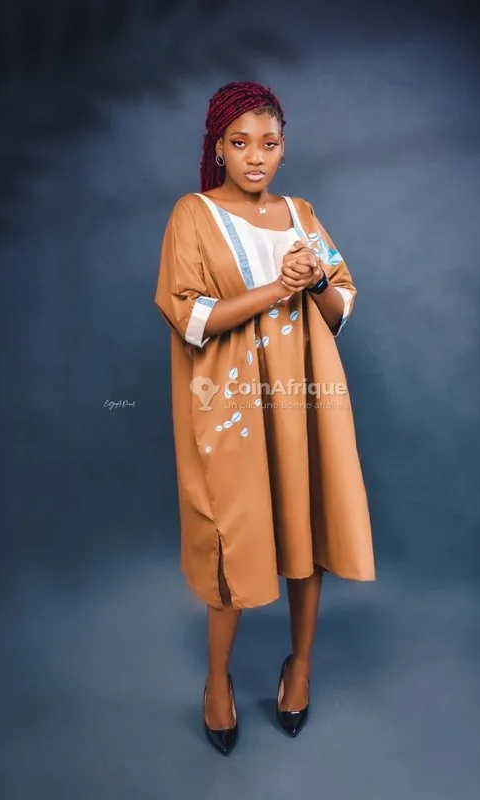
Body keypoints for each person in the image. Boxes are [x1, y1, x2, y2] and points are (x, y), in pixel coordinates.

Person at [155, 81, 376, 756]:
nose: (256, 157)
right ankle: (217, 680)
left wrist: (315, 281)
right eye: (240, 142)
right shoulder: (193, 215)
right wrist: (276, 288)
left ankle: (299, 666)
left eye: (269, 143)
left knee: (306, 523)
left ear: (284, 148)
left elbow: (340, 305)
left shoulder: (301, 215)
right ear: (218, 147)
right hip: (232, 402)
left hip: (304, 396)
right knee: (235, 531)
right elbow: (189, 315)